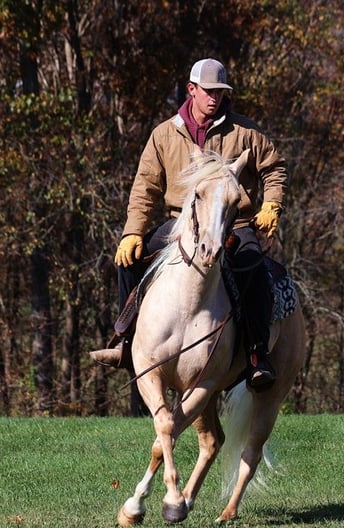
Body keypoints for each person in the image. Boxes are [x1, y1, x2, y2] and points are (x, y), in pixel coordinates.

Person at [90, 58, 288, 390]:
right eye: (208, 91)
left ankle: (256, 354)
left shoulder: (246, 132)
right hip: (179, 224)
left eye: (220, 92)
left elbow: (274, 169)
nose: (215, 98)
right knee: (129, 260)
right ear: (191, 90)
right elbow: (145, 187)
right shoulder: (164, 134)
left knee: (253, 265)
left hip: (234, 222)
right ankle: (125, 339)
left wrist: (271, 204)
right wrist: (133, 232)